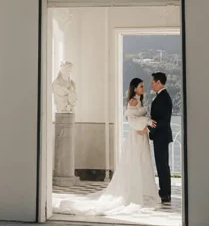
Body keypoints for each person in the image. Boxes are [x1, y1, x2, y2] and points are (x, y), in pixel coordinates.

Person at [53, 77, 159, 217]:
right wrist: (146, 122)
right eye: (140, 86)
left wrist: (144, 126)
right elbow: (132, 120)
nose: (142, 88)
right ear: (134, 88)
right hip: (136, 137)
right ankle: (135, 189)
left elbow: (135, 119)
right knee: (135, 161)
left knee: (142, 162)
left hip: (141, 135)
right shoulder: (133, 101)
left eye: (143, 86)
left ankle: (143, 188)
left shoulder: (139, 101)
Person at [148, 72, 173, 206]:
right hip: (161, 135)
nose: (151, 85)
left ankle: (165, 193)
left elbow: (163, 120)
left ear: (159, 82)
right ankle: (165, 191)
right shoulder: (162, 97)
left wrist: (150, 128)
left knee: (162, 165)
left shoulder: (163, 98)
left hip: (162, 136)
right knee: (162, 165)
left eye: (152, 82)